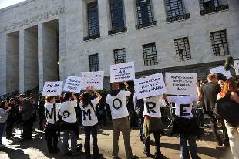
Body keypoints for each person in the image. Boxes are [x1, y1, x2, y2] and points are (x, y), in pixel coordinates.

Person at [106, 82, 138, 159]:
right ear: (117, 85)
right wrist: (127, 85)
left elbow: (107, 103)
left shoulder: (108, 96)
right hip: (123, 117)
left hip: (115, 118)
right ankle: (129, 156)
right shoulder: (123, 92)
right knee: (126, 138)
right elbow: (131, 92)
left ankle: (115, 155)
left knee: (115, 138)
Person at [217, 79, 239, 159]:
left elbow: (218, 109)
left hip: (228, 120)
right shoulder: (235, 93)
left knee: (232, 139)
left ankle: (236, 157)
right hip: (237, 120)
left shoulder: (219, 95)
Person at [79, 88, 102, 159]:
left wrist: (86, 92)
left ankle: (87, 155)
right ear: (89, 97)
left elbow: (80, 97)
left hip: (85, 123)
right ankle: (96, 154)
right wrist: (94, 91)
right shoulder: (93, 102)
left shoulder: (81, 104)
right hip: (93, 123)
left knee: (87, 139)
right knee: (94, 138)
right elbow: (100, 97)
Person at [200, 73, 222, 146]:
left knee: (213, 124)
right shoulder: (217, 86)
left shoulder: (203, 86)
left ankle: (218, 140)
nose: (217, 79)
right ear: (213, 78)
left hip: (208, 108)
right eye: (216, 78)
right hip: (217, 107)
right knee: (223, 123)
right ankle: (225, 140)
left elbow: (201, 97)